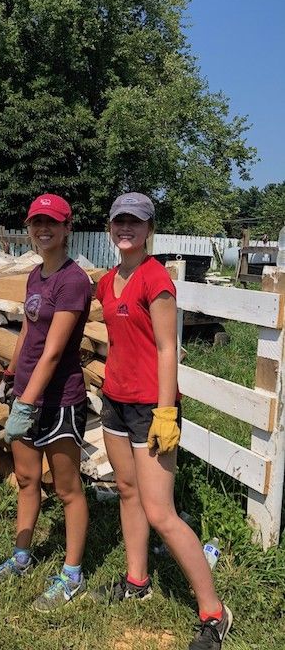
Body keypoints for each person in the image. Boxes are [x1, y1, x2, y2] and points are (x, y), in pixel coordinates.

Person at [92, 192, 232, 650]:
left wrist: (167, 411)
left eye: (135, 221)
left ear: (149, 229)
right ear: (110, 227)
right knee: (127, 492)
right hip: (115, 402)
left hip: (152, 407)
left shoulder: (156, 280)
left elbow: (169, 348)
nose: (125, 228)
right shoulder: (107, 281)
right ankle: (137, 580)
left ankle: (214, 612)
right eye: (119, 221)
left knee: (160, 512)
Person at [0, 193, 92, 612]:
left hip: (59, 399)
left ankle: (72, 575)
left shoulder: (73, 281)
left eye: (52, 222)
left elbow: (53, 351)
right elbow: (29, 334)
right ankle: (21, 557)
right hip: (27, 391)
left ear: (67, 228)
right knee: (27, 480)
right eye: (36, 222)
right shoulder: (35, 276)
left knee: (66, 488)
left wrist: (26, 405)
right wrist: (12, 374)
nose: (43, 229)